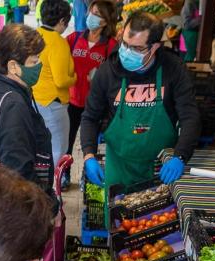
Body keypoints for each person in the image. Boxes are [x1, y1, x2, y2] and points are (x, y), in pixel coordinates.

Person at [80, 11, 200, 191]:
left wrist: (180, 156)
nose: (127, 52)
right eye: (125, 44)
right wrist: (89, 155)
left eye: (137, 48)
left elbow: (190, 116)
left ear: (155, 47)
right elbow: (90, 116)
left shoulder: (173, 69)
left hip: (161, 167)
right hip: (119, 165)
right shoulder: (107, 71)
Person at [0, 23, 54, 203]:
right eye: (34, 60)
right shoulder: (12, 103)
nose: (39, 65)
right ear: (13, 66)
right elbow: (19, 171)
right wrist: (49, 205)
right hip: (9, 209)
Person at [65, 0, 118, 159]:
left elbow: (115, 75)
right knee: (68, 141)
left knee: (90, 143)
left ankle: (89, 174)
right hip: (72, 101)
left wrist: (99, 78)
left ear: (106, 21)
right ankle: (65, 174)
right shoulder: (73, 38)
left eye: (97, 14)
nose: (91, 16)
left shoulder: (111, 45)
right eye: (91, 12)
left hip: (95, 104)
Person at [33, 0, 76, 189]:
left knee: (39, 148)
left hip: (34, 99)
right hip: (53, 103)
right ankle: (50, 191)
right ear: (62, 21)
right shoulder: (58, 42)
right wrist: (74, 77)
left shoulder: (35, 35)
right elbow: (61, 80)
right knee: (58, 151)